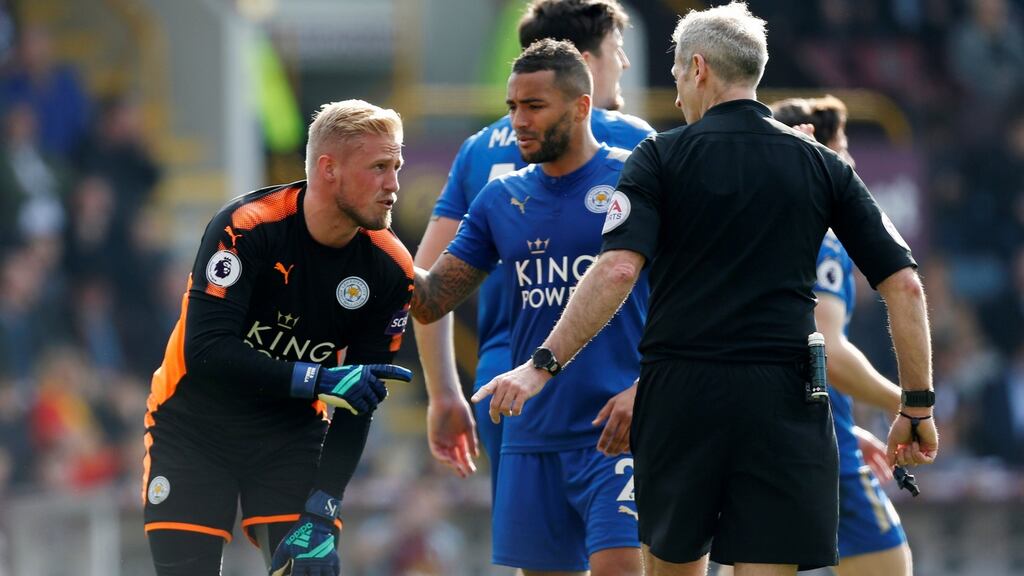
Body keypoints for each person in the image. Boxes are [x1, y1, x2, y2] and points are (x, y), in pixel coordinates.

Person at [473, 3, 938, 576]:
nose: (674, 97)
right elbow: (907, 286)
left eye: (674, 78)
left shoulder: (657, 159)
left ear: (698, 69)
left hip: (680, 399)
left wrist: (543, 363)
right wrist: (915, 404)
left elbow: (617, 270)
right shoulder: (822, 164)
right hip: (784, 401)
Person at [142, 99, 415, 576]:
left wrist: (323, 509)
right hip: (192, 427)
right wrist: (318, 379)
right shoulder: (246, 227)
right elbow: (206, 352)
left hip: (289, 438)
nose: (394, 185)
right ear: (328, 169)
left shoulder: (391, 270)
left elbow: (359, 400)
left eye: (396, 166)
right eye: (378, 168)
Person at [411, 39, 645, 576]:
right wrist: (368, 240)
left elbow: (695, 293)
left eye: (534, 106)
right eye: (512, 106)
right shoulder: (500, 199)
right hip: (531, 435)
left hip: (619, 428)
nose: (518, 120)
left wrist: (648, 385)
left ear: (582, 106)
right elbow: (431, 301)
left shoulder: (636, 177)